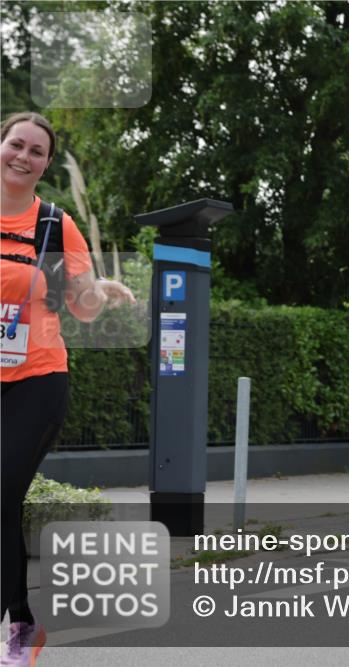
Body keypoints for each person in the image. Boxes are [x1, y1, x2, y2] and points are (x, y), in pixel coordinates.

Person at [1, 112, 135, 664]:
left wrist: (97, 289)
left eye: (36, 152)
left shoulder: (57, 225)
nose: (23, 157)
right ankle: (22, 621)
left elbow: (80, 308)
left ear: (45, 164)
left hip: (37, 377)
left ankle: (20, 627)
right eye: (16, 144)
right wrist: (33, 279)